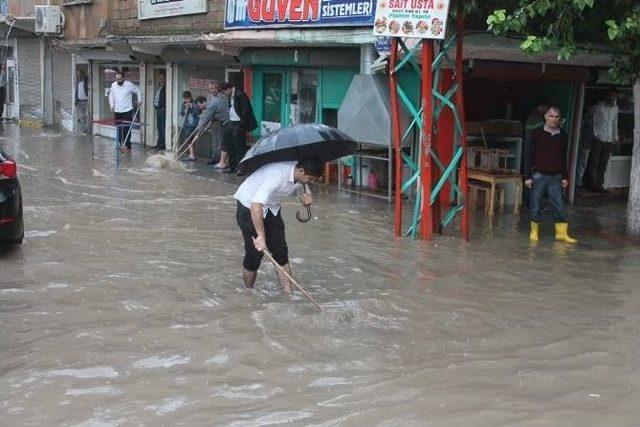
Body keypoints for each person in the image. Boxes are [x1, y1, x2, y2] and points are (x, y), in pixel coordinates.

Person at [234, 155, 323, 293]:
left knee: (280, 251)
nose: (310, 182)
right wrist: (261, 237)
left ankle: (288, 293)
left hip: (271, 207)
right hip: (249, 206)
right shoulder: (277, 175)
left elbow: (302, 187)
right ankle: (248, 292)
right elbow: (256, 204)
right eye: (310, 179)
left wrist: (305, 198)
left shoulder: (300, 174)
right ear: (300, 171)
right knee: (255, 254)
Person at [525, 106, 577, 243]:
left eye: (556, 117)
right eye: (551, 116)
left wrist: (565, 176)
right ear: (545, 117)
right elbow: (528, 156)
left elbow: (563, 157)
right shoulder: (536, 134)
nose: (554, 119)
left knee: (559, 205)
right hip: (538, 175)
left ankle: (561, 233)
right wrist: (528, 177)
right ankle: (534, 231)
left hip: (556, 176)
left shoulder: (563, 135)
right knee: (535, 204)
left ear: (560, 118)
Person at [217, 82, 258, 171]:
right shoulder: (230, 96)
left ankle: (241, 168)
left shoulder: (240, 94)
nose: (225, 94)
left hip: (238, 123)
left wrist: (241, 124)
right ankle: (232, 166)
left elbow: (246, 110)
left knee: (239, 147)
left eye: (224, 92)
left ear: (229, 89)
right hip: (232, 122)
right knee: (230, 145)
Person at [588, 88, 619, 193]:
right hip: (598, 138)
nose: (612, 97)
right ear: (607, 96)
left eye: (614, 96)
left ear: (616, 97)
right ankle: (592, 185)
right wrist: (595, 134)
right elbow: (593, 119)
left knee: (603, 163)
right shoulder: (600, 106)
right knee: (594, 162)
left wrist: (615, 138)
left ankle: (599, 184)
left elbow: (615, 123)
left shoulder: (616, 108)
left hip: (609, 139)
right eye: (610, 95)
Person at [109, 70, 142, 153]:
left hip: (127, 110)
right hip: (117, 111)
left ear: (123, 78)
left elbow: (138, 91)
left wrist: (139, 101)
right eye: (117, 79)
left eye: (120, 79)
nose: (118, 81)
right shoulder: (113, 85)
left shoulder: (129, 85)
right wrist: (111, 105)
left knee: (127, 128)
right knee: (119, 128)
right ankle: (121, 144)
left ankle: (127, 145)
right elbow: (111, 96)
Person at [179, 91, 200, 161]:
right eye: (185, 99)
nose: (186, 100)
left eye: (187, 98)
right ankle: (191, 154)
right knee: (188, 139)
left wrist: (191, 108)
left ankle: (192, 155)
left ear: (190, 98)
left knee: (189, 139)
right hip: (186, 124)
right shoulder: (183, 104)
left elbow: (196, 113)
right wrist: (185, 110)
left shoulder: (194, 104)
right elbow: (181, 113)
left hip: (192, 125)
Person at [152, 73, 166, 150]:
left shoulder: (165, 88)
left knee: (162, 127)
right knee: (159, 127)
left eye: (161, 78)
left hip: (162, 110)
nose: (160, 80)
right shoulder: (159, 88)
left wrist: (163, 108)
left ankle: (162, 144)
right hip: (158, 109)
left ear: (164, 79)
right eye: (159, 79)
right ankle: (159, 143)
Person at [75, 69, 90, 133]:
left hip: (86, 101)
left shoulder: (86, 81)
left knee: (87, 115)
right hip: (79, 102)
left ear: (82, 74)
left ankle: (88, 129)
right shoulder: (77, 82)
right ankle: (84, 130)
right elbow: (76, 91)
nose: (79, 75)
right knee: (82, 116)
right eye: (77, 74)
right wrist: (75, 100)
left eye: (80, 74)